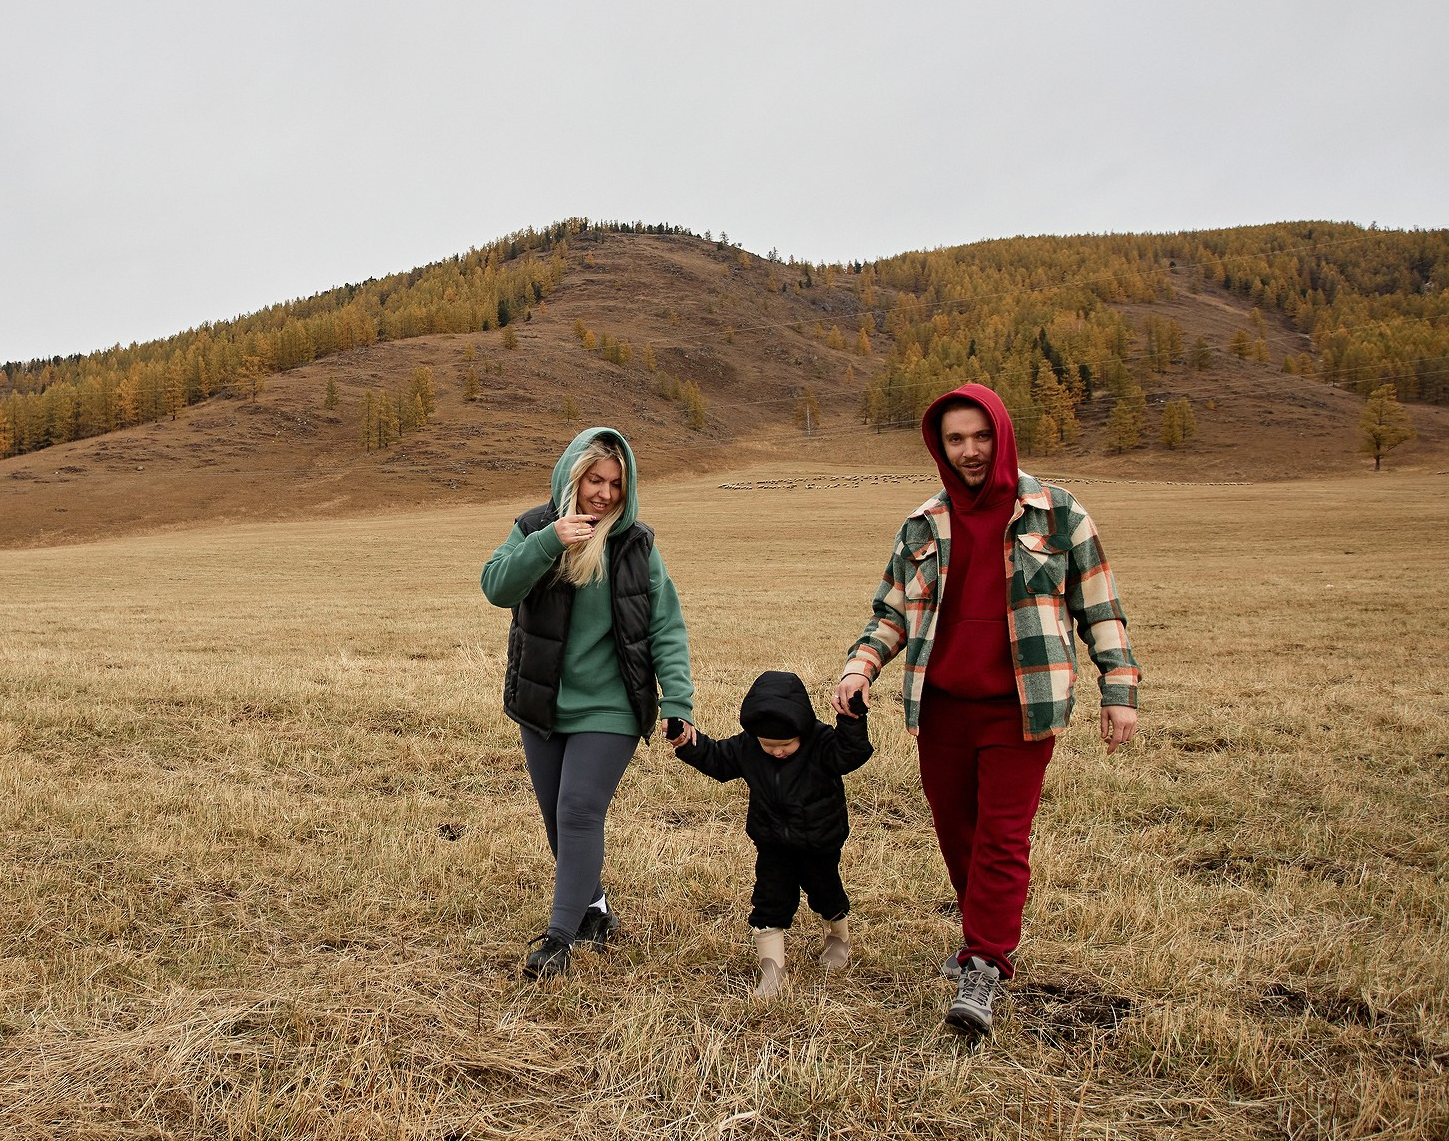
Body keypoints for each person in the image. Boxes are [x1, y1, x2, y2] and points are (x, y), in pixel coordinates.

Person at [833, 383, 1139, 1037]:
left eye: (980, 435)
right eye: (955, 439)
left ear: (1001, 434)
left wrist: (1120, 689)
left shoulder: (1058, 514)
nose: (970, 451)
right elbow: (890, 614)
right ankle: (985, 936)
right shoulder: (922, 524)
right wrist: (861, 666)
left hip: (1021, 709)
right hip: (941, 708)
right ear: (939, 447)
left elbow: (1100, 608)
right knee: (959, 836)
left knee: (1002, 837)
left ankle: (983, 964)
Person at [482, 428, 696, 979]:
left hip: (612, 705)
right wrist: (551, 539)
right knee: (559, 819)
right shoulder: (534, 528)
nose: (603, 494)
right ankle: (595, 910)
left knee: (579, 809)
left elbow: (665, 625)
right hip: (544, 702)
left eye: (616, 485)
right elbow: (497, 587)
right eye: (594, 480)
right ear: (571, 477)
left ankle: (560, 938)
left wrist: (679, 699)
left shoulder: (636, 544)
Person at [673, 670, 872, 1000]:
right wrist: (686, 742)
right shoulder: (748, 747)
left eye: (786, 746)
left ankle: (837, 937)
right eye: (769, 746)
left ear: (802, 730)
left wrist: (850, 721)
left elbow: (852, 754)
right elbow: (717, 759)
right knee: (769, 900)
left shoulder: (821, 743)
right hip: (772, 843)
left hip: (818, 842)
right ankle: (772, 969)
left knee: (825, 893)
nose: (777, 752)